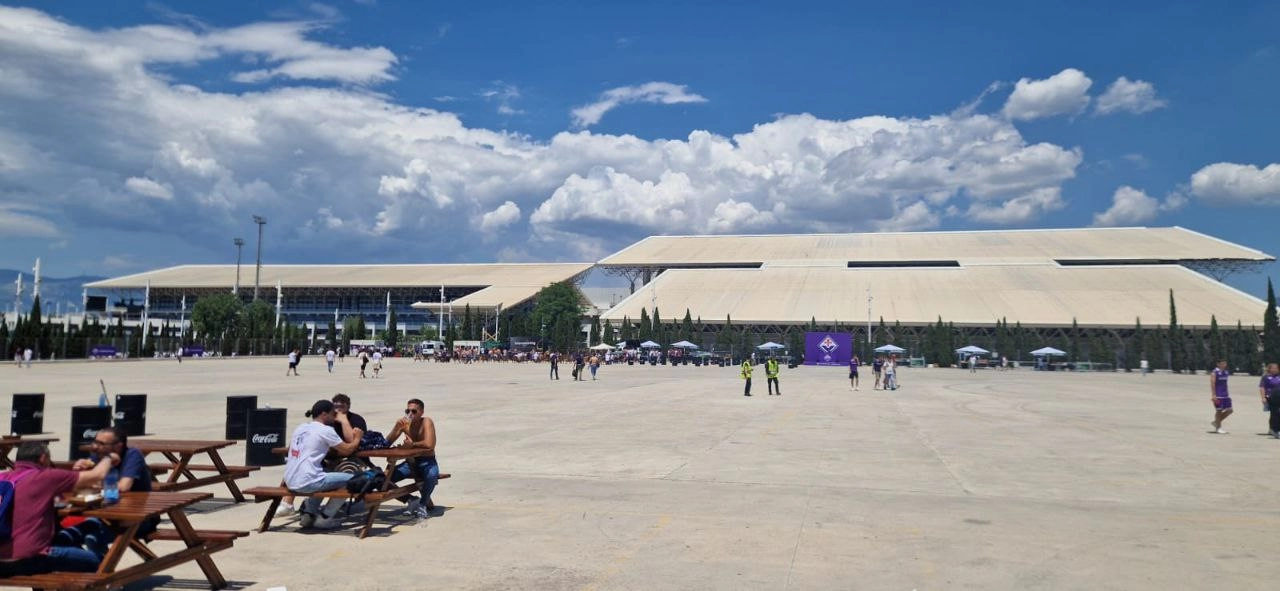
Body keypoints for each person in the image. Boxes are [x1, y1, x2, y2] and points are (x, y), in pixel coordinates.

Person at [0, 442, 120, 576]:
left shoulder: (2, 477)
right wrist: (108, 457)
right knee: (102, 562)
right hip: (30, 559)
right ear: (43, 458)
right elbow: (98, 475)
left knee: (65, 541)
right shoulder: (45, 477)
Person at [278, 394, 368, 517]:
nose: (334, 416)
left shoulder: (301, 428)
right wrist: (357, 438)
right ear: (324, 414)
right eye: (333, 413)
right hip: (308, 482)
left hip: (289, 481)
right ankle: (325, 517)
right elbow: (347, 450)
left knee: (327, 475)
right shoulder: (325, 430)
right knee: (354, 480)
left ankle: (309, 514)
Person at [71, 427, 158, 538]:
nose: (96, 447)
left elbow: (124, 486)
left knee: (92, 536)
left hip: (138, 517)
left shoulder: (132, 455)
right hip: (107, 513)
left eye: (102, 443)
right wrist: (80, 471)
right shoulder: (97, 455)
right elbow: (81, 484)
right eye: (95, 442)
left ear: (118, 446)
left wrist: (95, 482)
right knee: (70, 534)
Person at [386, 398, 440, 519]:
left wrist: (412, 445)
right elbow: (386, 442)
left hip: (427, 461)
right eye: (407, 411)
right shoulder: (405, 424)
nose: (410, 414)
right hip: (410, 462)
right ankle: (411, 499)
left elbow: (430, 444)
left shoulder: (426, 422)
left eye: (414, 411)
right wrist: (396, 428)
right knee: (383, 480)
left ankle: (422, 504)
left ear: (422, 412)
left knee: (432, 475)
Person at [1210, 358, 1232, 434]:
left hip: (1225, 395)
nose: (1224, 365)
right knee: (1219, 410)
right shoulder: (1214, 372)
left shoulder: (1226, 372)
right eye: (1222, 363)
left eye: (1225, 363)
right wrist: (1213, 395)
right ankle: (1218, 428)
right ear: (1218, 364)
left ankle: (1216, 422)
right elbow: (1213, 384)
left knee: (1230, 410)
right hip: (1218, 395)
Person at [1259, 363, 1280, 438]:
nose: (1274, 370)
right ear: (1269, 369)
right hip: (1270, 397)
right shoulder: (1266, 377)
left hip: (1279, 397)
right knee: (1274, 413)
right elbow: (1262, 387)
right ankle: (1273, 429)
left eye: (1276, 368)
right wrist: (1263, 397)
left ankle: (1275, 429)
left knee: (1277, 413)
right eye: (1272, 368)